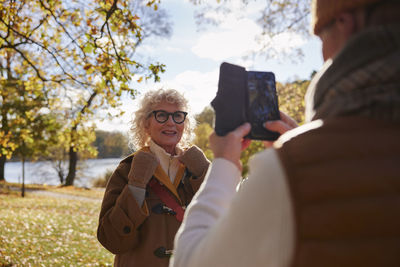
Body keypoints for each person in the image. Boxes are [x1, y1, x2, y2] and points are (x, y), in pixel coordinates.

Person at [170, 0, 400, 267]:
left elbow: (191, 262)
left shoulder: (295, 171)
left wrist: (224, 163)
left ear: (345, 23)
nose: (323, 54)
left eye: (321, 37)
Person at [97, 88, 210, 267]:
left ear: (185, 123)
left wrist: (205, 173)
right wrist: (136, 183)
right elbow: (112, 240)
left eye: (178, 116)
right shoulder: (127, 169)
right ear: (146, 124)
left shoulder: (198, 168)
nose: (171, 122)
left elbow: (229, 227)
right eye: (161, 115)